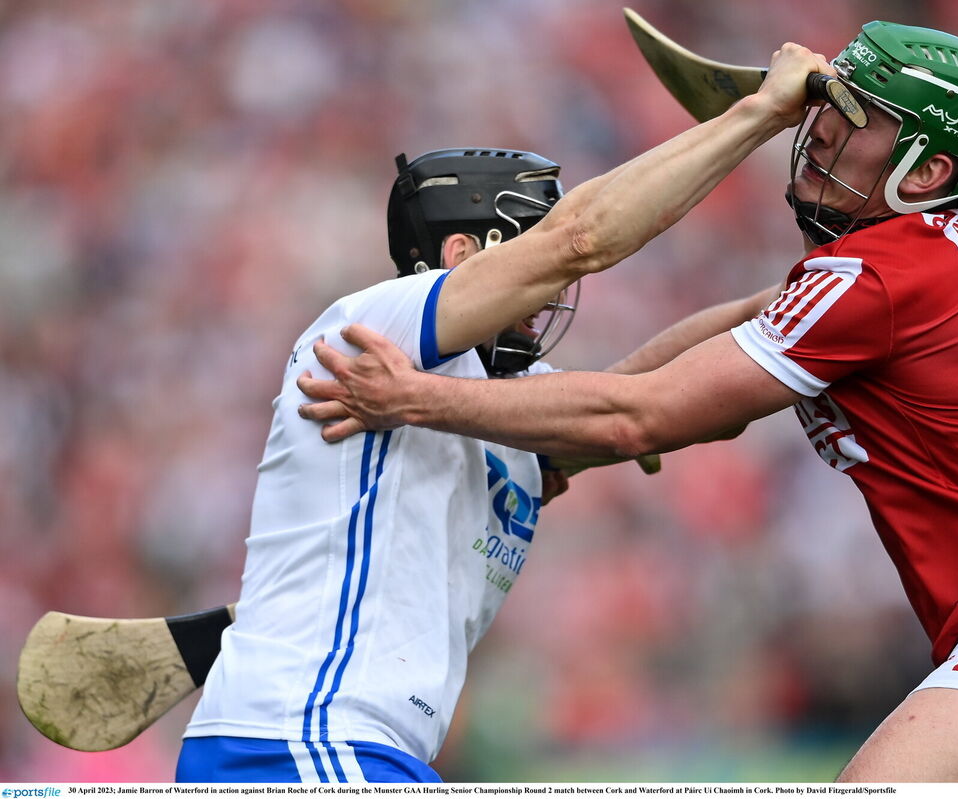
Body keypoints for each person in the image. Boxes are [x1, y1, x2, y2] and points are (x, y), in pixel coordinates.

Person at [296, 22, 958, 783]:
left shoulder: (883, 279)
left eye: (856, 125)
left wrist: (415, 398)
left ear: (926, 171)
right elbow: (718, 361)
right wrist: (550, 449)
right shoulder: (928, 259)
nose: (816, 139)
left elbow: (638, 416)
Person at [176, 43, 834, 783]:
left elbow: (641, 399)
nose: (553, 290)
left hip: (352, 747)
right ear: (463, 253)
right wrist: (761, 114)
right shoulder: (371, 329)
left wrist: (786, 304)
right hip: (308, 740)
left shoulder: (482, 399)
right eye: (529, 237)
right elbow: (583, 241)